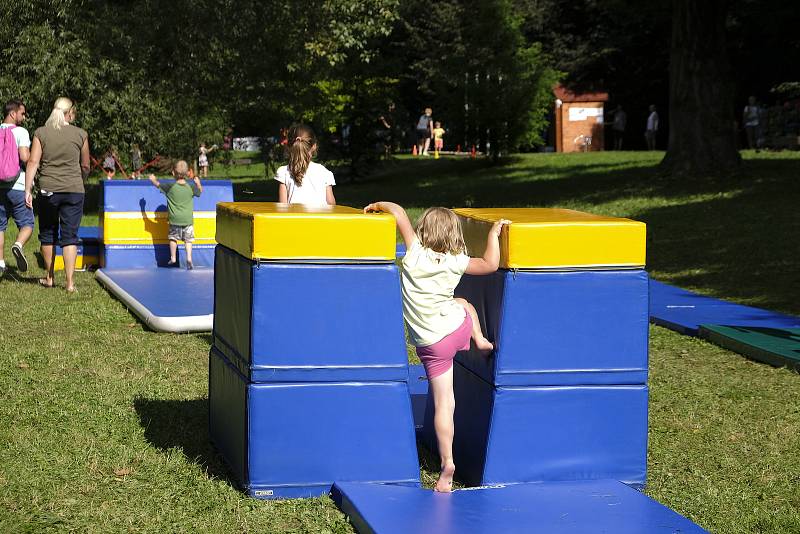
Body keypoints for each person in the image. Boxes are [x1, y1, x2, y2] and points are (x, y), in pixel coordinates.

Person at [363, 201, 509, 492]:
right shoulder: (457, 261)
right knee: (464, 304)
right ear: (454, 235)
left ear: (423, 231)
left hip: (432, 346)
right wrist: (493, 234)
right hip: (457, 330)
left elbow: (400, 213)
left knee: (445, 403)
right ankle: (479, 339)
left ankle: (447, 465)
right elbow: (491, 265)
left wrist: (379, 205)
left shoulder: (414, 253)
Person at [24, 97, 90, 292]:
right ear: (69, 113)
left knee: (48, 233)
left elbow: (33, 162)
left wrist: (28, 189)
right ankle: (70, 284)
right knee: (70, 235)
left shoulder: (41, 132)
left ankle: (50, 277)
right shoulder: (81, 134)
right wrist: (81, 180)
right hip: (74, 189)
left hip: (48, 190)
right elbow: (85, 165)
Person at [147, 160, 202, 269]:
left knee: (173, 238)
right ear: (187, 174)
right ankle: (189, 258)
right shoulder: (191, 187)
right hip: (187, 220)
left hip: (174, 220)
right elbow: (200, 192)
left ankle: (173, 257)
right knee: (188, 240)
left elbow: (158, 185)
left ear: (173, 173)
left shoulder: (170, 187)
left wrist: (153, 179)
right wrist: (198, 183)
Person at [0, 99, 33, 275]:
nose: (24, 117)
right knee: (27, 223)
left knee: (0, 226)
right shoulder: (21, 131)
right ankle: (18, 245)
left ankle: (0, 263)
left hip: (0, 187)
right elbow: (25, 157)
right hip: (17, 185)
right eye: (22, 113)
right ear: (13, 113)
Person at [274, 124, 335, 207]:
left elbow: (282, 206)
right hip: (320, 219)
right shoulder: (324, 172)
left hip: (294, 219)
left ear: (288, 146)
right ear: (314, 146)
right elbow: (331, 204)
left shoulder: (284, 172)